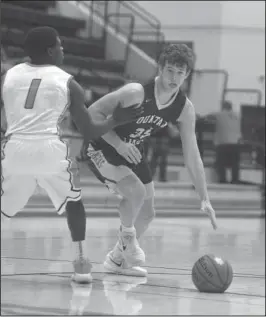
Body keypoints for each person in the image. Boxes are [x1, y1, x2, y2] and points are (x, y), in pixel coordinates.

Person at [1, 26, 143, 284]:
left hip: (14, 148)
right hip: (49, 149)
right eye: (59, 45)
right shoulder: (68, 82)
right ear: (50, 50)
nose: (63, 50)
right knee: (74, 202)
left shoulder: (9, 75)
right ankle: (80, 264)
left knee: (3, 207)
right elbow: (88, 130)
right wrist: (114, 120)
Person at [80, 43, 218, 277]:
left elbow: (192, 153)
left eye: (180, 72)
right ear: (161, 69)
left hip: (132, 150)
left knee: (148, 213)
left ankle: (118, 260)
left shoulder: (184, 108)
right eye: (170, 70)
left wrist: (204, 197)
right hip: (102, 145)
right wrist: (119, 144)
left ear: (187, 75)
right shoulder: (136, 92)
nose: (174, 77)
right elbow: (91, 114)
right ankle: (128, 241)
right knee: (135, 192)